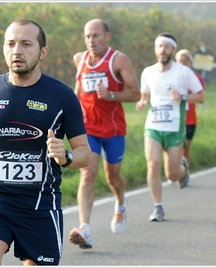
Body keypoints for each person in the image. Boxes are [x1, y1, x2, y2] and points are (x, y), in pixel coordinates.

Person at [0, 19, 91, 265]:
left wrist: (66, 156)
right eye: (10, 44)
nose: (17, 51)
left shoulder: (62, 96)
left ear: (43, 52)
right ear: (3, 48)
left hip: (40, 206)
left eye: (26, 44)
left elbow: (85, 152)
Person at [70, 19, 140, 249]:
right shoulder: (80, 59)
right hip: (87, 129)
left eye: (96, 36)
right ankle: (85, 228)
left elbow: (135, 93)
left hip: (113, 129)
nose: (92, 41)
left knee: (113, 178)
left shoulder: (118, 60)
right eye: (88, 36)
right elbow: (78, 92)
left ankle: (120, 205)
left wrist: (111, 95)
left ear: (107, 37)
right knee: (88, 175)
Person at [136, 33, 206, 222]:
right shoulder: (148, 72)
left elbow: (201, 96)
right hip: (153, 126)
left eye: (167, 47)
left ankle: (182, 169)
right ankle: (158, 207)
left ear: (173, 50)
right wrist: (143, 102)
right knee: (153, 165)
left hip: (175, 127)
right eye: (160, 46)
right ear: (156, 49)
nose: (163, 50)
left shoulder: (183, 72)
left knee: (172, 174)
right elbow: (145, 94)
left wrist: (183, 97)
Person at [175, 49, 206, 179]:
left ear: (190, 63)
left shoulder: (196, 78)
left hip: (190, 118)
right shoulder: (171, 76)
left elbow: (202, 97)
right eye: (180, 61)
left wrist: (186, 95)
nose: (183, 64)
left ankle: (185, 173)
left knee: (185, 149)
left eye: (185, 61)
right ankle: (175, 171)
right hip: (175, 118)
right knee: (174, 148)